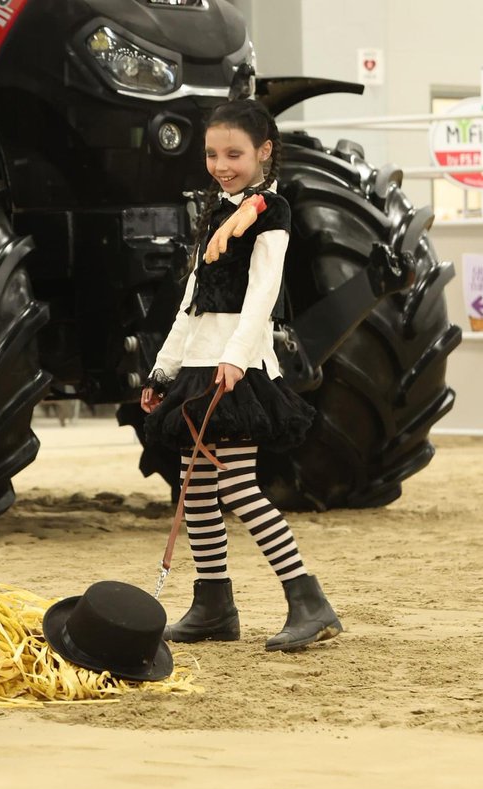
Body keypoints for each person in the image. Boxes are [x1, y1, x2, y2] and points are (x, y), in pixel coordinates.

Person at [140, 99, 342, 653]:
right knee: (196, 490)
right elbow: (192, 299)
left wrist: (235, 356)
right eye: (212, 153)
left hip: (237, 362)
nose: (221, 163)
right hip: (200, 360)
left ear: (264, 152)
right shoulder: (217, 209)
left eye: (234, 153)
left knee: (235, 485)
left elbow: (264, 293)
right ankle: (213, 605)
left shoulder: (270, 211)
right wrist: (165, 366)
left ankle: (308, 600)